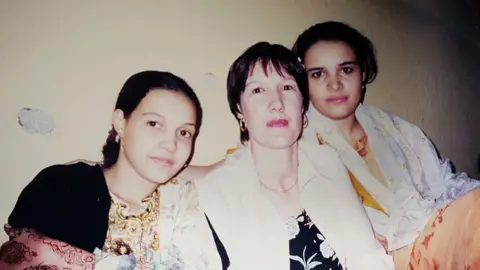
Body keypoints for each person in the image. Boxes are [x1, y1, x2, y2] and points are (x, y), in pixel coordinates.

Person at [292, 21, 480, 269]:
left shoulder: (394, 128)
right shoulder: (301, 147)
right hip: (389, 258)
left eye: (346, 70)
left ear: (362, 75)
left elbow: (445, 180)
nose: (334, 84)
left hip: (438, 234)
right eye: (318, 74)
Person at [193, 41, 393, 270]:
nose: (276, 103)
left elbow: (367, 256)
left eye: (287, 87)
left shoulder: (327, 162)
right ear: (239, 109)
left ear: (302, 105)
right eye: (258, 90)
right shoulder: (218, 192)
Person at [0, 71, 222, 270]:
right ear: (121, 122)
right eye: (154, 124)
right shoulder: (63, 187)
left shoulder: (189, 205)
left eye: (184, 132)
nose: (171, 144)